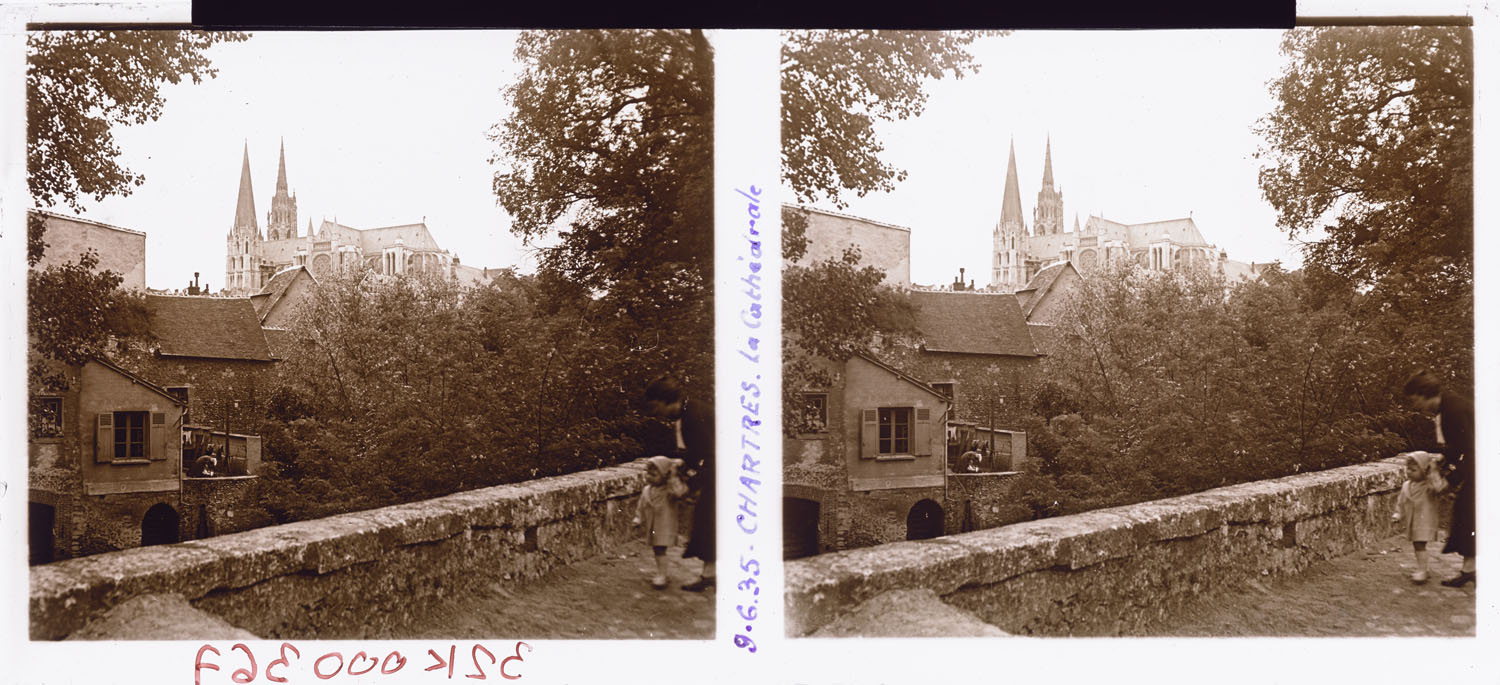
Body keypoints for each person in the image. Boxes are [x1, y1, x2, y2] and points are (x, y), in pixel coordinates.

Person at [1404, 370, 1475, 588]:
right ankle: (1469, 569)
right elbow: (1458, 446)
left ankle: (1470, 570)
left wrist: (1449, 481)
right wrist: (1443, 460)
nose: (1416, 406)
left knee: (1467, 512)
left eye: (1416, 400)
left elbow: (1472, 450)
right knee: (1466, 514)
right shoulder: (1446, 408)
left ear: (1425, 394)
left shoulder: (1453, 410)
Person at [645, 374, 715, 591]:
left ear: (668, 400)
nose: (656, 413)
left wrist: (690, 485)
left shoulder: (693, 416)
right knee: (708, 521)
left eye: (657, 407)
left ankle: (711, 575)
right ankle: (710, 574)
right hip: (721, 469)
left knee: (710, 520)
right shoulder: (687, 414)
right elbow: (698, 452)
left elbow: (713, 456)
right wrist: (684, 466)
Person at [632, 455, 688, 590]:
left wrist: (673, 475)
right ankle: (662, 573)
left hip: (665, 526)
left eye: (654, 475)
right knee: (657, 550)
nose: (649, 477)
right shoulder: (647, 490)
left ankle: (662, 575)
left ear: (664, 475)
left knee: (659, 550)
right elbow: (641, 505)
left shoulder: (669, 491)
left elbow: (680, 492)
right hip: (652, 526)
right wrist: (638, 518)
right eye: (648, 474)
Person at [1391, 452, 1447, 583]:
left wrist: (1433, 470)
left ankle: (1422, 570)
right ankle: (1423, 569)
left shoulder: (1429, 486)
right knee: (1417, 545)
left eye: (1414, 470)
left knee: (1419, 545)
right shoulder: (1406, 485)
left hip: (1425, 521)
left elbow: (1440, 486)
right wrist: (1398, 513)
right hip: (1413, 521)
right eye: (1408, 469)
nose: (1409, 472)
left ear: (1423, 470)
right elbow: (1401, 501)